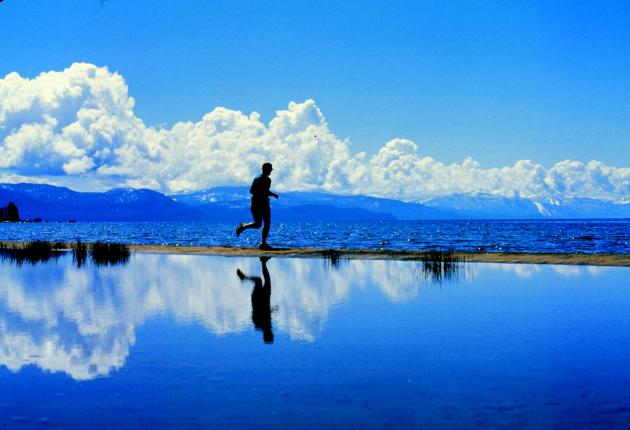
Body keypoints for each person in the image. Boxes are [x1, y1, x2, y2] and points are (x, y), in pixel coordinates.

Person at [236, 162, 279, 250]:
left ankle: (263, 243)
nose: (271, 171)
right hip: (256, 204)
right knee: (258, 224)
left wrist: (272, 194)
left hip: (265, 203)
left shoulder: (268, 180)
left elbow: (266, 191)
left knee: (267, 222)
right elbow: (252, 191)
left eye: (271, 170)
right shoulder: (258, 179)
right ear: (265, 169)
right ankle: (243, 226)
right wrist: (262, 193)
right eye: (270, 169)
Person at [236, 256, 274, 344]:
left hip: (258, 299)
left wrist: (267, 309)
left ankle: (244, 277)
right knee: (266, 280)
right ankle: (263, 262)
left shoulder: (259, 324)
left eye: (271, 335)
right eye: (272, 335)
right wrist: (271, 309)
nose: (272, 333)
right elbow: (266, 313)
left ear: (267, 334)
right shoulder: (266, 326)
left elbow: (257, 311)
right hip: (265, 299)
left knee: (259, 280)